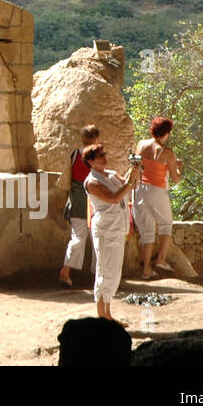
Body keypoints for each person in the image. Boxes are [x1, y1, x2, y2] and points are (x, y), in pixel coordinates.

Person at [83, 143, 139, 323]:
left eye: (104, 154)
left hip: (117, 227)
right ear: (91, 162)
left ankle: (107, 315)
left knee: (114, 272)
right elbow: (114, 198)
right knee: (105, 271)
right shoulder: (92, 182)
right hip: (105, 229)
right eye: (100, 156)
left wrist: (134, 171)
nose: (104, 158)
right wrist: (130, 181)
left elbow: (131, 186)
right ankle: (102, 317)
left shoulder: (112, 175)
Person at [133, 116, 182, 277]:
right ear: (167, 133)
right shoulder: (167, 152)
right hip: (157, 190)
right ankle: (161, 259)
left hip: (139, 189)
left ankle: (146, 269)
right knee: (166, 224)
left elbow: (135, 164)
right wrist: (179, 168)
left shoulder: (141, 144)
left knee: (147, 230)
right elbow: (176, 179)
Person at [58, 124, 99, 287]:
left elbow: (65, 179)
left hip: (75, 203)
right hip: (94, 204)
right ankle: (98, 276)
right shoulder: (96, 157)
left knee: (77, 238)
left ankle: (66, 271)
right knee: (97, 239)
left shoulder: (74, 155)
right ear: (95, 139)